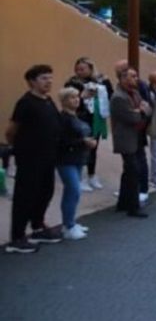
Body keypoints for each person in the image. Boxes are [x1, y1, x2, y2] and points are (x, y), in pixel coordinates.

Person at [6, 65, 64, 254]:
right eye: (43, 78)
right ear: (32, 81)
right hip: (30, 158)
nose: (48, 81)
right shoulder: (25, 103)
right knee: (25, 196)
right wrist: (21, 148)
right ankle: (17, 237)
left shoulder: (48, 101)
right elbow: (11, 131)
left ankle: (37, 227)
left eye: (50, 77)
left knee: (45, 191)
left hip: (48, 156)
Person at [64, 58, 111, 192]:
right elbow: (66, 100)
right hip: (80, 119)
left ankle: (92, 175)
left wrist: (105, 84)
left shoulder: (98, 81)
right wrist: (81, 96)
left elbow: (109, 94)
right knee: (82, 147)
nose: (79, 72)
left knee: (93, 147)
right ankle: (80, 177)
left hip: (95, 118)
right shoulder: (72, 83)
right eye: (77, 69)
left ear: (91, 69)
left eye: (83, 69)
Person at [56, 86, 95, 240]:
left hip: (78, 158)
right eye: (72, 97)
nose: (76, 99)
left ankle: (71, 221)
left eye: (77, 97)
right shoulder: (63, 119)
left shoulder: (76, 116)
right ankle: (68, 226)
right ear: (64, 101)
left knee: (73, 192)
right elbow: (61, 141)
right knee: (73, 189)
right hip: (65, 159)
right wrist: (83, 141)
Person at [110, 66, 150, 218]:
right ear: (123, 79)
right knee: (133, 171)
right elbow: (131, 118)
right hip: (126, 139)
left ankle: (123, 202)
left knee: (129, 171)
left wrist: (140, 110)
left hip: (138, 136)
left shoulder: (135, 93)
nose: (136, 79)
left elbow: (148, 109)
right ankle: (133, 207)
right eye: (133, 76)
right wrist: (140, 110)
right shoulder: (119, 97)